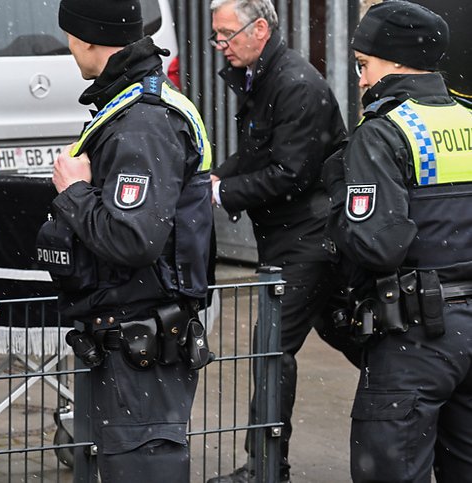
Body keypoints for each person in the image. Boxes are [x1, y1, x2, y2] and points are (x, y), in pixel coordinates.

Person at [34, 0, 214, 481]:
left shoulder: (143, 121)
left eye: (69, 37)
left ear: (84, 39)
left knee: (142, 467)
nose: (69, 49)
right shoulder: (131, 104)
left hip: (141, 346)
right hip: (126, 338)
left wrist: (72, 192)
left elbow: (134, 238)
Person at [206, 0, 360, 481]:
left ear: (260, 30)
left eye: (227, 34)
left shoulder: (294, 84)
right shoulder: (263, 75)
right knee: (354, 334)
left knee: (270, 347)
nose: (219, 45)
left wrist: (221, 191)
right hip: (293, 235)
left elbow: (291, 173)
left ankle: (266, 467)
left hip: (310, 237)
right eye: (215, 36)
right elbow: (257, 152)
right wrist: (208, 179)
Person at [324, 1, 472, 481]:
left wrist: (336, 209)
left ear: (396, 61)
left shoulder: (384, 132)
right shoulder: (468, 118)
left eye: (364, 65)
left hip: (414, 339)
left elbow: (378, 245)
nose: (362, 79)